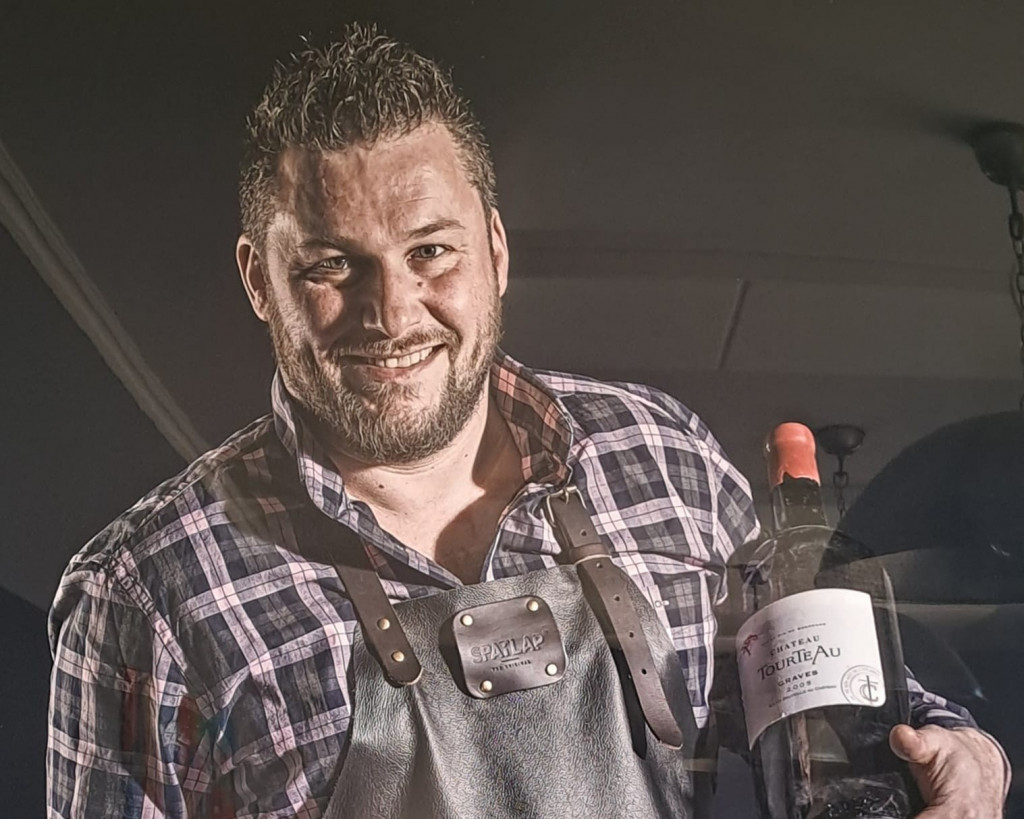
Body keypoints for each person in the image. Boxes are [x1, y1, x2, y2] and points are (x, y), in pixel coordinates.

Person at [46, 23, 1007, 819]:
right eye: (332, 265)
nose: (392, 313)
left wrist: (964, 753)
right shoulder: (146, 598)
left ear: (496, 252)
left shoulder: (663, 457)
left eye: (431, 251)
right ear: (259, 279)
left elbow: (830, 690)